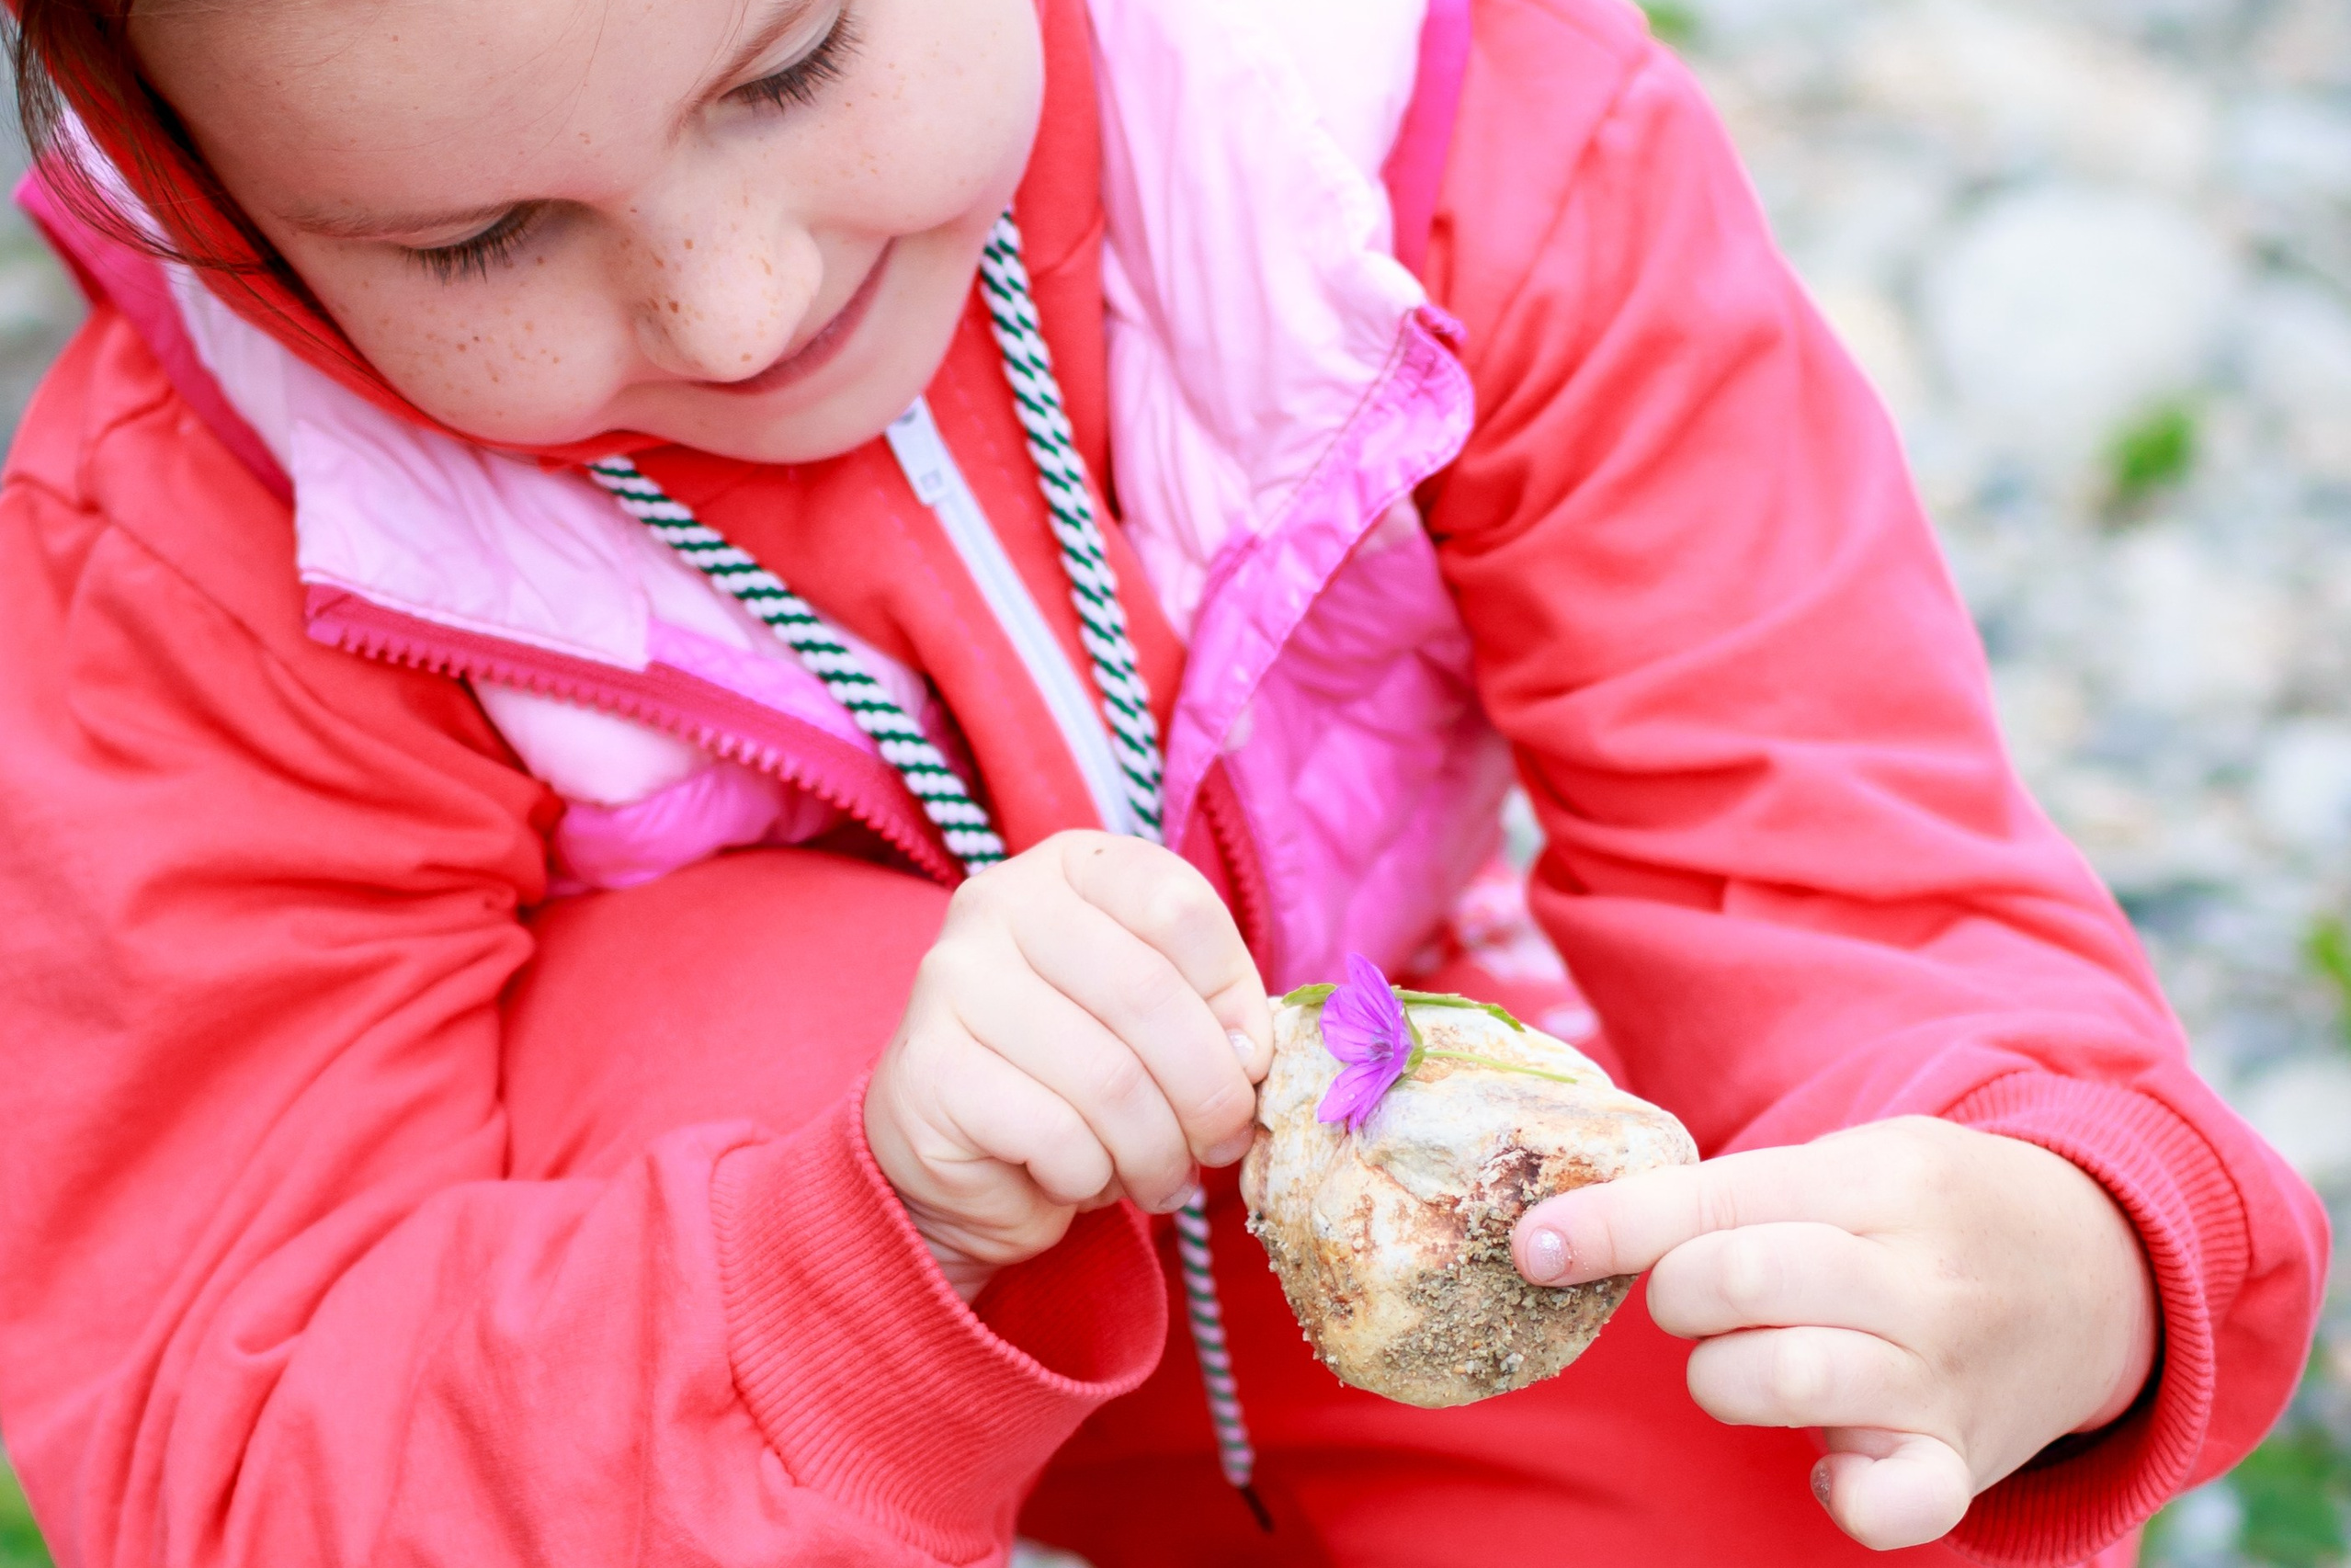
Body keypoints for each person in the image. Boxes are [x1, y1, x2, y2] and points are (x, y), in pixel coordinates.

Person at [0, 0, 2323, 1562]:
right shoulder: (203, 552)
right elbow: (223, 1431)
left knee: (1788, 1382)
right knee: (767, 1006)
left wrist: (2072, 1230)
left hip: (1395, 1159)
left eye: (789, 64)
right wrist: (872, 1229)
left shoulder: (1413, 153)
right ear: (186, 179)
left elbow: (1817, 840)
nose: (731, 305)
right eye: (473, 240)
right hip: (702, 1383)